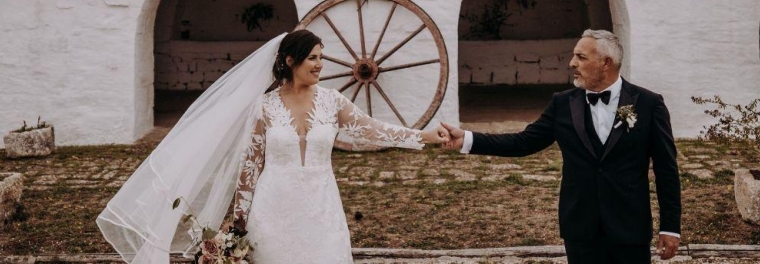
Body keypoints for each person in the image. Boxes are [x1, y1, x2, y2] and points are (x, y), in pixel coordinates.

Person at [98, 29, 447, 264]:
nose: (320, 64)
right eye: (312, 58)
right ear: (291, 61)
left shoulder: (332, 101)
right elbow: (249, 169)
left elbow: (375, 131)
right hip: (273, 208)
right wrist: (238, 223)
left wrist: (426, 137)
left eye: (321, 57)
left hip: (321, 208)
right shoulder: (265, 106)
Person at [442, 29, 681, 264]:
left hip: (630, 226)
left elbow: (666, 170)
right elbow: (523, 142)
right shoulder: (563, 103)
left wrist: (670, 227)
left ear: (606, 63)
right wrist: (467, 139)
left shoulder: (649, 104)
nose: (572, 63)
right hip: (580, 227)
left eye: (581, 57)